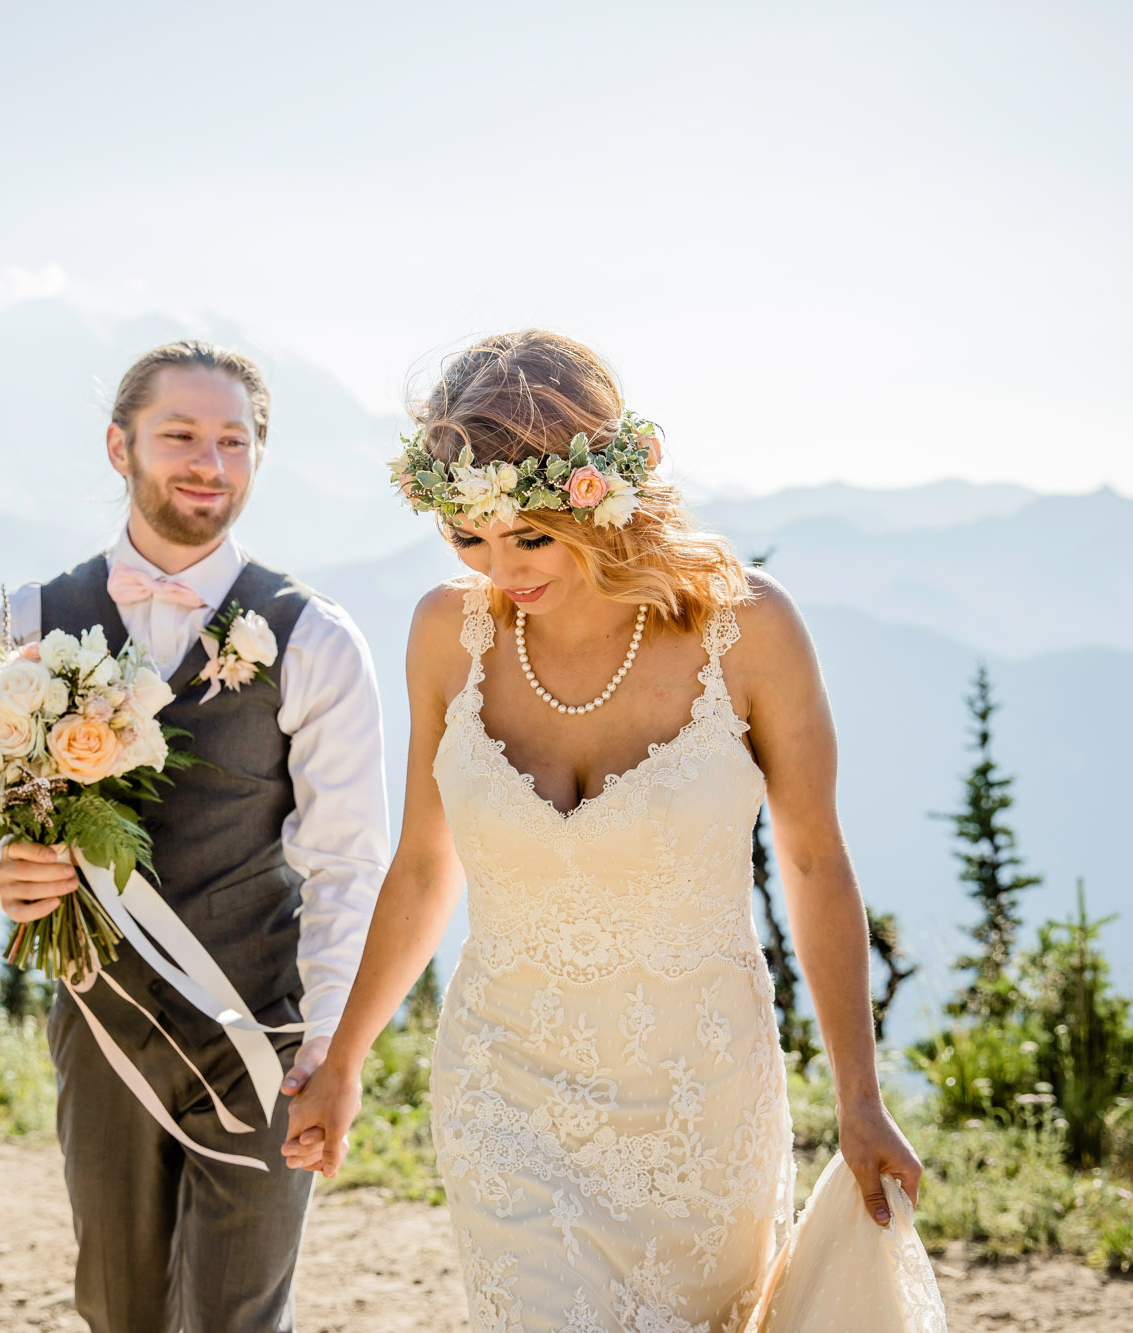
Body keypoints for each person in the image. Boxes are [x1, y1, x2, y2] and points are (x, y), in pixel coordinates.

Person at [283, 331, 944, 1331]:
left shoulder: (746, 630)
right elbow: (423, 867)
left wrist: (857, 1093)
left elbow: (813, 861)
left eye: (528, 537)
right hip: (504, 1089)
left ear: (601, 493)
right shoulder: (442, 636)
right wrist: (343, 1060)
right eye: (466, 537)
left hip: (699, 1099)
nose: (498, 568)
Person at [0, 339, 388, 1333]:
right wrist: (12, 874)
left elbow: (349, 863)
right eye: (180, 435)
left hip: (258, 1035)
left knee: (233, 1320)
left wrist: (333, 1053)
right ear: (118, 447)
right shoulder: (30, 619)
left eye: (232, 441)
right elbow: (1, 814)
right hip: (102, 1023)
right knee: (118, 1310)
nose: (208, 461)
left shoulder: (316, 636)